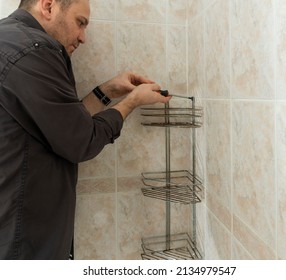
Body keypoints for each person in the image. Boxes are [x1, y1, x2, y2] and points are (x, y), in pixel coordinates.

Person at [0, 0, 171, 259]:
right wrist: (133, 101)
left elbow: (63, 125)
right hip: (21, 245)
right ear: (48, 6)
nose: (83, 38)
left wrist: (107, 91)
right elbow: (83, 140)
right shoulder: (33, 50)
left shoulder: (11, 40)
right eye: (80, 23)